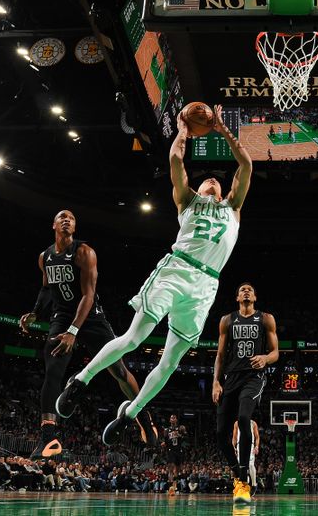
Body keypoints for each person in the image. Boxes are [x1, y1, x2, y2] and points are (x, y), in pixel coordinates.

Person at [55, 105, 253, 444]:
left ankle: (129, 414)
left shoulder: (232, 209)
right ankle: (80, 381)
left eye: (216, 181)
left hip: (206, 286)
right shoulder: (186, 201)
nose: (212, 179)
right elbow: (176, 163)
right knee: (134, 339)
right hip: (176, 270)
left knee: (171, 361)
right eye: (206, 178)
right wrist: (182, 132)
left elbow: (246, 165)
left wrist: (222, 130)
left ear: (223, 192)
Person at [19, 210, 153, 459]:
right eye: (62, 217)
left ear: (75, 226)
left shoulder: (84, 252)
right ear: (54, 224)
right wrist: (36, 313)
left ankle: (143, 417)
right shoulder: (45, 257)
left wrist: (73, 331)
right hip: (61, 317)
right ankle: (49, 438)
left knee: (119, 371)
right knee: (53, 370)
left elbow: (88, 296)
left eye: (71, 218)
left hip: (91, 316)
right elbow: (47, 288)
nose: (67, 220)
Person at [213, 282, 279, 503]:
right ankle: (238, 476)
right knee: (221, 433)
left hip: (254, 377)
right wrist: (216, 382)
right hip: (231, 378)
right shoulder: (227, 320)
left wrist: (265, 358)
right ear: (237, 297)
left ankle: (243, 483)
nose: (246, 291)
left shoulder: (266, 318)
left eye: (250, 289)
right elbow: (221, 355)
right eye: (242, 289)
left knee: (243, 417)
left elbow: (275, 352)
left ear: (255, 296)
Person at [233, 419, 260, 493]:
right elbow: (234, 437)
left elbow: (257, 437)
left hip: (250, 445)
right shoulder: (237, 423)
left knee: (251, 465)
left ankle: (254, 485)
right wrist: (234, 447)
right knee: (239, 466)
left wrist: (256, 446)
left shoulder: (253, 423)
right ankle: (242, 485)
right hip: (239, 445)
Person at [161, 414, 186, 486]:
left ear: (176, 420)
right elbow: (165, 441)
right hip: (170, 450)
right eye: (171, 418)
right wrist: (164, 444)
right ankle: (170, 486)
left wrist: (182, 433)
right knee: (171, 468)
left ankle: (175, 483)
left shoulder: (180, 428)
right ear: (169, 420)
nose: (172, 419)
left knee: (178, 469)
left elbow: (186, 437)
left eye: (174, 418)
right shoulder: (166, 430)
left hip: (179, 449)